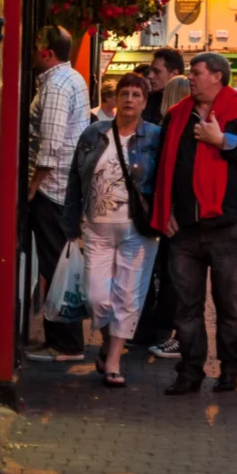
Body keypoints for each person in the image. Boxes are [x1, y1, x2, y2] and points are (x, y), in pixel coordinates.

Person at [150, 52, 237, 395]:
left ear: (217, 76)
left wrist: (222, 141)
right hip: (184, 228)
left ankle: (230, 370)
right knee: (186, 307)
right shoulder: (177, 116)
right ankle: (189, 372)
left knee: (230, 304)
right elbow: (165, 169)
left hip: (226, 228)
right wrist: (167, 209)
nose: (190, 77)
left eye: (196, 72)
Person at [61, 73, 161, 388]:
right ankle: (107, 342)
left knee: (128, 297)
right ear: (116, 99)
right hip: (96, 228)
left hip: (138, 230)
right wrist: (71, 222)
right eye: (124, 93)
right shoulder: (93, 134)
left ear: (145, 102)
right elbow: (75, 180)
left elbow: (165, 182)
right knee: (97, 297)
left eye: (136, 95)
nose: (130, 99)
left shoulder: (156, 137)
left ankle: (114, 359)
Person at [25, 26, 90, 362]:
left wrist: (32, 187)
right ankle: (62, 340)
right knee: (57, 263)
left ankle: (65, 344)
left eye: (36, 46)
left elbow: (50, 145)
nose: (33, 52)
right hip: (66, 186)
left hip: (53, 188)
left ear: (47, 52)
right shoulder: (72, 78)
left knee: (54, 264)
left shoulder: (56, 85)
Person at [134, 72, 195, 358]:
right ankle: (163, 330)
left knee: (165, 274)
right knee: (172, 275)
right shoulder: (172, 130)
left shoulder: (162, 131)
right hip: (175, 214)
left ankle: (162, 331)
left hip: (164, 213)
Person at [144, 49, 185, 126]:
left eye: (157, 71)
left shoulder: (189, 106)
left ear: (174, 74)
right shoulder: (147, 100)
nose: (150, 76)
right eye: (151, 71)